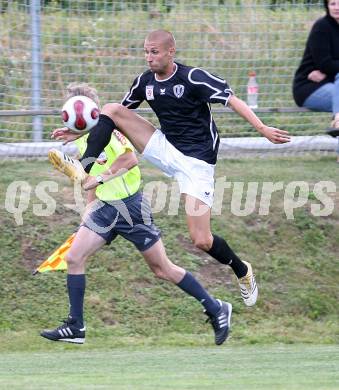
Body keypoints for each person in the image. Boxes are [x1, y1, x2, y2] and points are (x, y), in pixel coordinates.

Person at [50, 30, 291, 309]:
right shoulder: (144, 82)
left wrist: (262, 129)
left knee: (201, 240)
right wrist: (77, 131)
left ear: (170, 52)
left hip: (196, 165)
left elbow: (232, 99)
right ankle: (85, 167)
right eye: (146, 52)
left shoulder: (192, 77)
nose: (149, 58)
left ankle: (242, 270)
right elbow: (112, 119)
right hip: (164, 148)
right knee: (113, 108)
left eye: (154, 52)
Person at [41, 83, 232, 346]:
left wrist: (99, 179)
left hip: (131, 208)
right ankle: (76, 326)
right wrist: (88, 210)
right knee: (74, 257)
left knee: (162, 269)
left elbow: (130, 160)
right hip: (106, 208)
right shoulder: (85, 137)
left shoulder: (111, 130)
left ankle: (216, 308)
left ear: (92, 111)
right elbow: (88, 179)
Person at [293, 0, 339, 162]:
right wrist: (330, 72)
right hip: (309, 87)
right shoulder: (322, 27)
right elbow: (324, 63)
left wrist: (328, 73)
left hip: (332, 84)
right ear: (327, 6)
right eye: (332, 3)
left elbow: (328, 67)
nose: (337, 7)